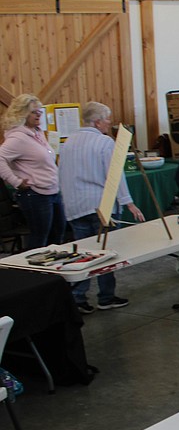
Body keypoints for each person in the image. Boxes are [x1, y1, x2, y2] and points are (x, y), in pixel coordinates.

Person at [58, 101, 146, 312]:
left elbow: (61, 174)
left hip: (75, 206)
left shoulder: (68, 142)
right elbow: (115, 176)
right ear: (97, 122)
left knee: (84, 253)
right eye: (107, 119)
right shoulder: (104, 143)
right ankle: (106, 297)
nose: (109, 123)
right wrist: (129, 203)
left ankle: (79, 297)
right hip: (101, 206)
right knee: (106, 253)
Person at [0, 94, 65, 249]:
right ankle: (34, 273)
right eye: (34, 112)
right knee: (40, 239)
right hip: (36, 195)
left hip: (52, 192)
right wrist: (15, 181)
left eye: (39, 111)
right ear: (22, 114)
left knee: (57, 236)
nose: (38, 115)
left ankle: (53, 271)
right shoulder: (18, 138)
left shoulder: (37, 133)